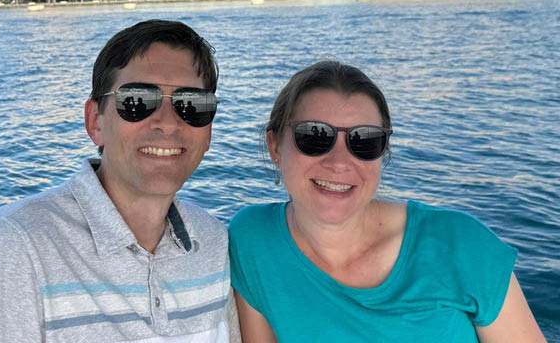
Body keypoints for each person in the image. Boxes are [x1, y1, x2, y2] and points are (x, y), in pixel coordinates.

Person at [0, 19, 240, 342]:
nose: (167, 123)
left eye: (191, 104)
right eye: (137, 101)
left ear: (208, 131)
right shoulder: (16, 246)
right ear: (95, 121)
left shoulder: (214, 243)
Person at [229, 60, 545, 342]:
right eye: (314, 136)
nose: (340, 162)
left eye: (364, 140)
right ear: (275, 147)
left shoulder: (463, 245)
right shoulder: (252, 240)